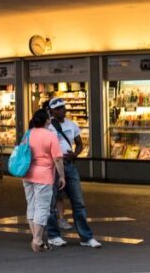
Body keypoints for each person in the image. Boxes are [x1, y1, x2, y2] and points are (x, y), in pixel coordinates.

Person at [44, 97, 101, 248]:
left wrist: (75, 154)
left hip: (69, 165)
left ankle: (86, 237)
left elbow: (80, 144)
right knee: (51, 203)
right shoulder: (47, 127)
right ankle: (53, 235)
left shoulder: (72, 125)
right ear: (51, 111)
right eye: (57, 109)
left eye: (63, 107)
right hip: (52, 167)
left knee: (79, 202)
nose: (61, 110)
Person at [21, 109, 66, 253]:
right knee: (42, 207)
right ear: (47, 120)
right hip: (44, 175)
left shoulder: (28, 134)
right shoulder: (50, 136)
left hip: (27, 174)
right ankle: (37, 240)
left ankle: (36, 238)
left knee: (32, 205)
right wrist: (62, 176)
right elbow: (58, 158)